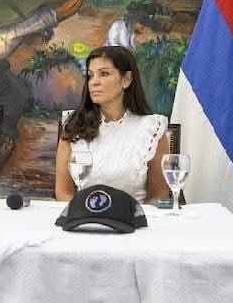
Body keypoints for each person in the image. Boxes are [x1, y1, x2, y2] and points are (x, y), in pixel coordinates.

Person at [55, 45, 170, 205]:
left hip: (134, 219)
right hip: (85, 218)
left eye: (104, 74)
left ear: (126, 79)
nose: (94, 82)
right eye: (90, 75)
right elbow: (63, 193)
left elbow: (158, 196)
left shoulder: (152, 129)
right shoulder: (74, 125)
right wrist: (86, 214)